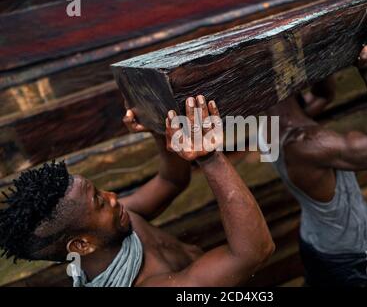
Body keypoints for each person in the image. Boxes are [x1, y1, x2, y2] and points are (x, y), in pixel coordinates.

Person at [0, 95, 275, 287]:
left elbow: (171, 182)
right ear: (82, 245)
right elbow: (254, 253)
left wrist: (155, 128)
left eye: (100, 191)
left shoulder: (112, 226)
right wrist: (210, 158)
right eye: (99, 201)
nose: (113, 197)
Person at [259, 16, 367, 287]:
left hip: (314, 240)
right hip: (349, 255)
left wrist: (324, 56)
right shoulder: (308, 142)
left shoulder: (269, 127)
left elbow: (324, 96)